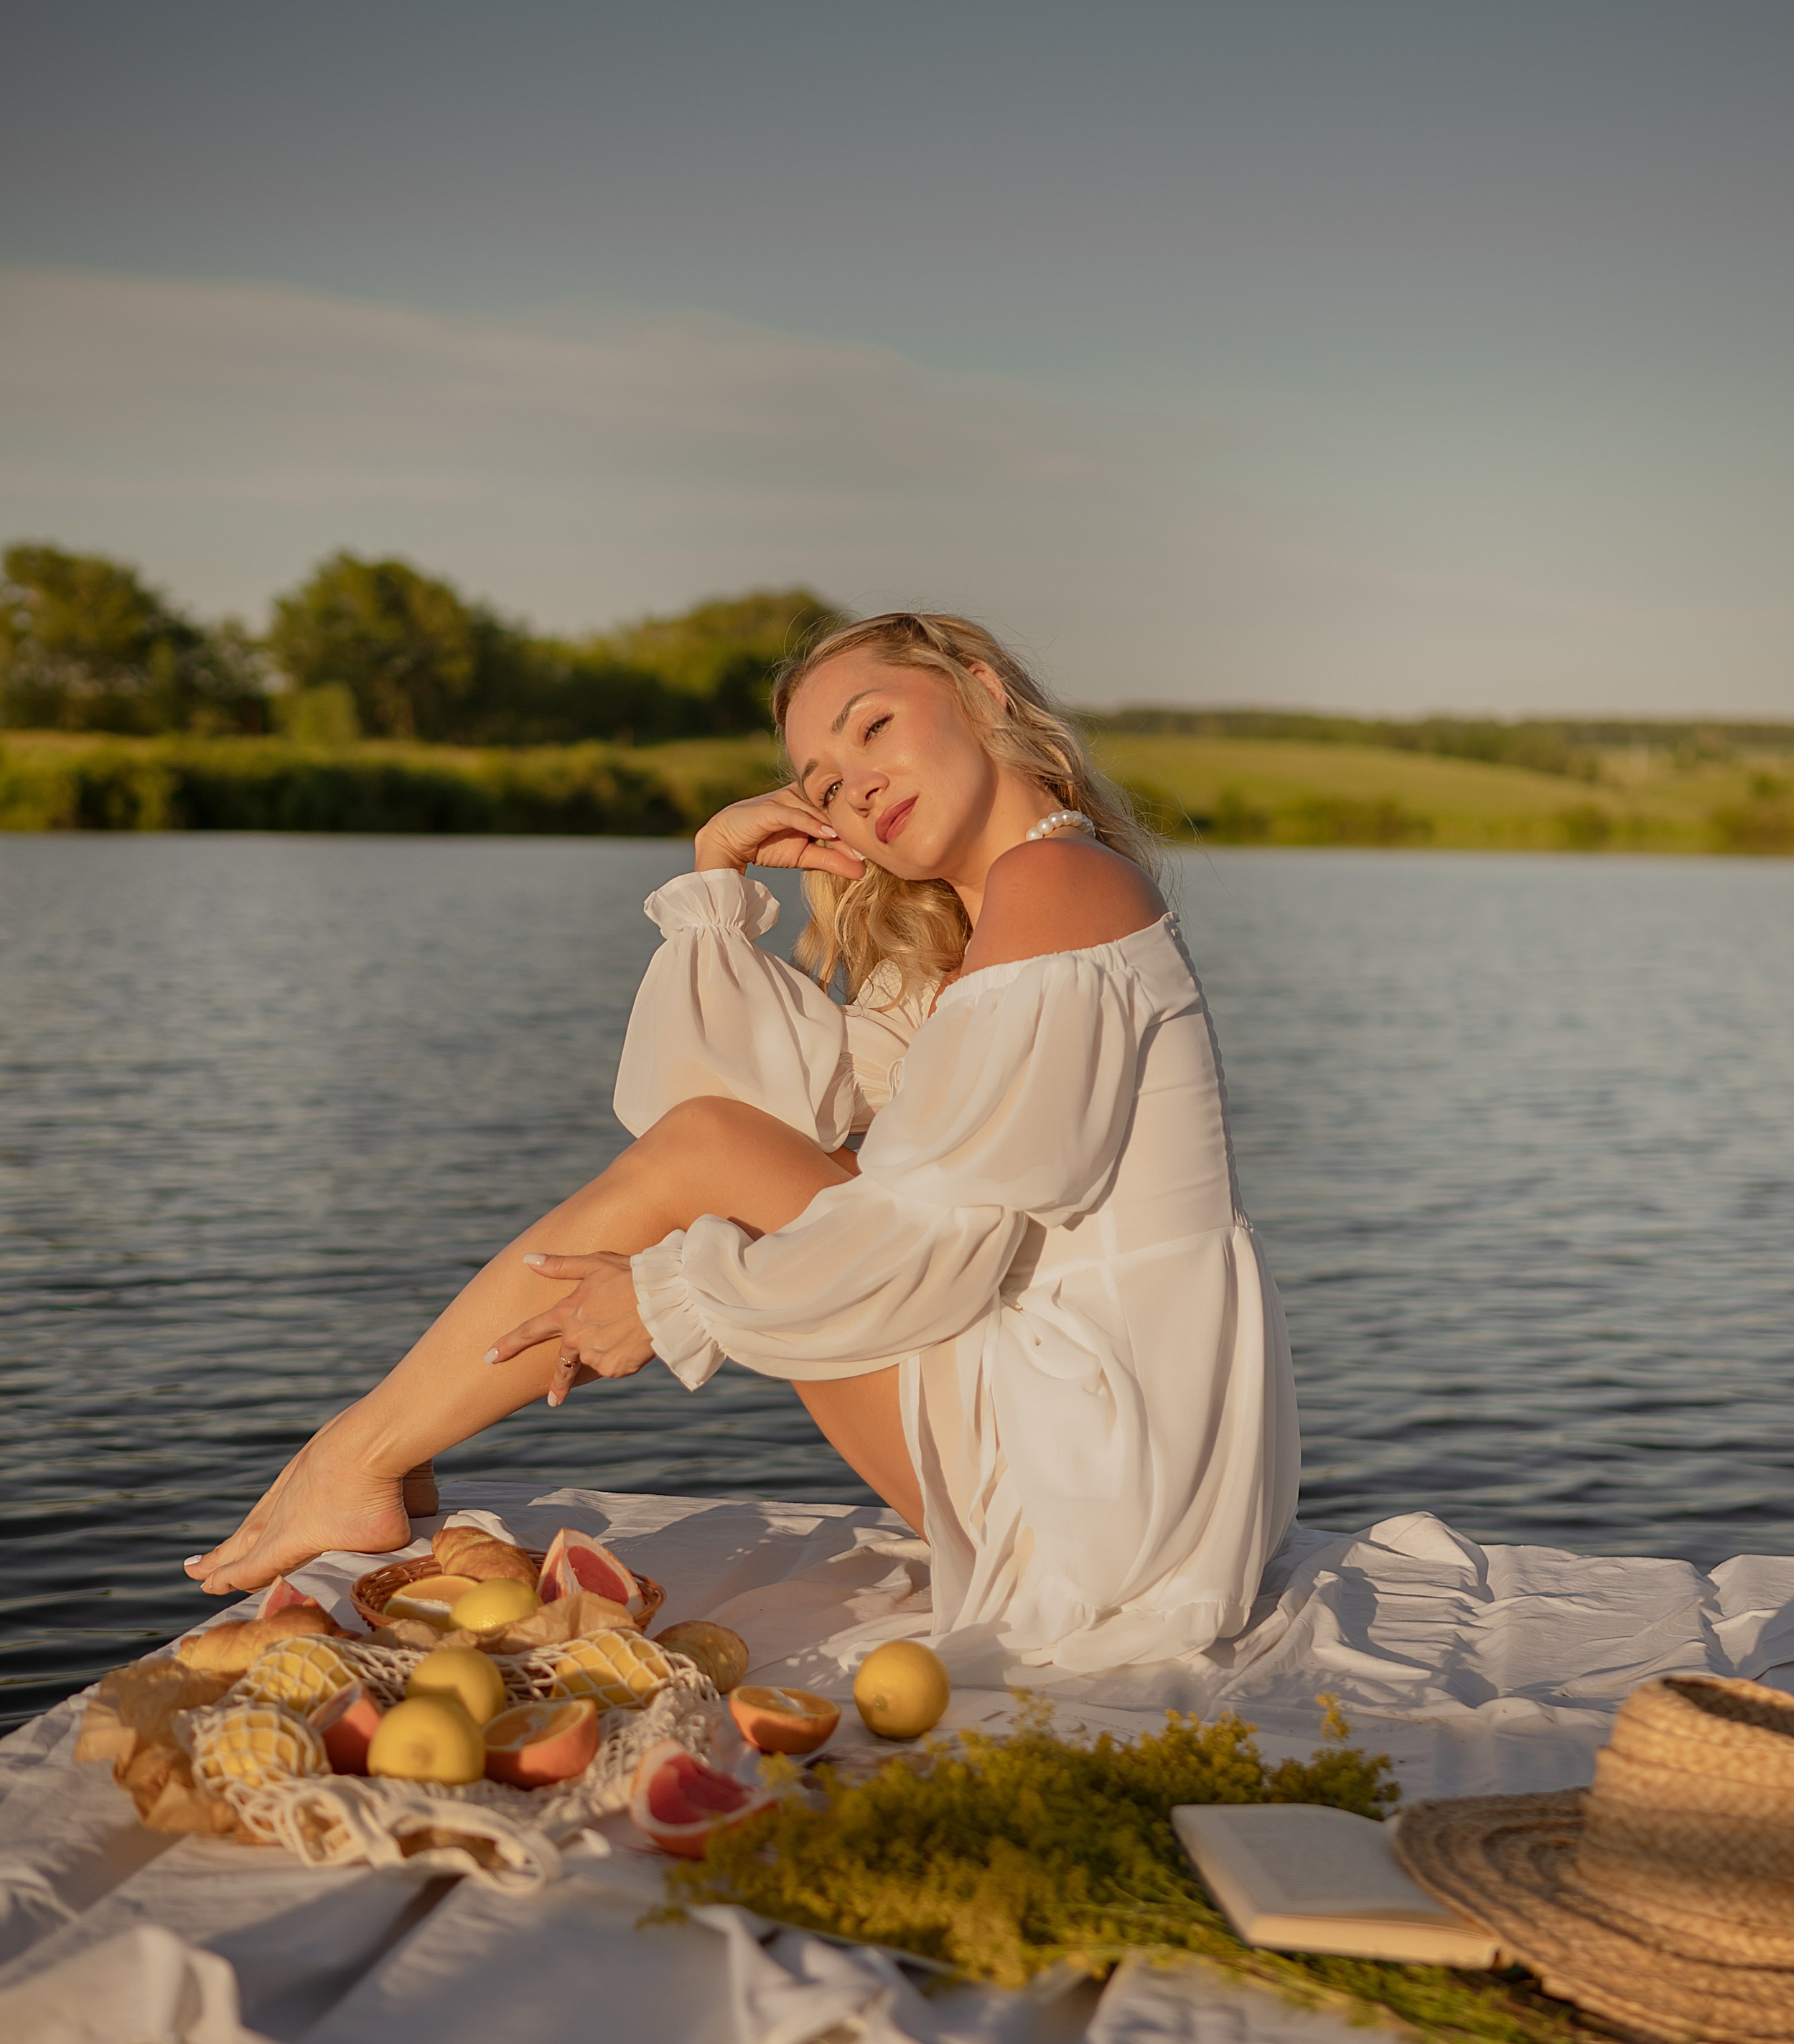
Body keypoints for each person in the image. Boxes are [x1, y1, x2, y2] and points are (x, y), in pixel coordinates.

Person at [187, 612, 1299, 1671]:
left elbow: (905, 1228)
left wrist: (675, 1297)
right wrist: (718, 875)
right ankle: (382, 1445)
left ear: (983, 693)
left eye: (872, 727)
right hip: (1117, 1465)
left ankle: (358, 1455)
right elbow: (751, 1121)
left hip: (1106, 1487)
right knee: (733, 1158)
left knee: (725, 1164)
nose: (851, 784)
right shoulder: (999, 917)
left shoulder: (1056, 882)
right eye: (820, 783)